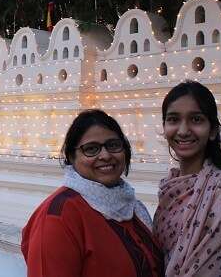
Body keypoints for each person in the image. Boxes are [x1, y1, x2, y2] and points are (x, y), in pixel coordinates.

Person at [21, 109, 164, 277]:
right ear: (71, 157)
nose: (105, 155)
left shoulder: (131, 206)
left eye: (113, 145)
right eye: (91, 149)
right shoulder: (58, 217)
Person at [153, 81, 221, 277]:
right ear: (164, 128)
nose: (183, 130)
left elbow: (204, 268)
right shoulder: (169, 188)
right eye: (173, 119)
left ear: (213, 130)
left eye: (196, 119)